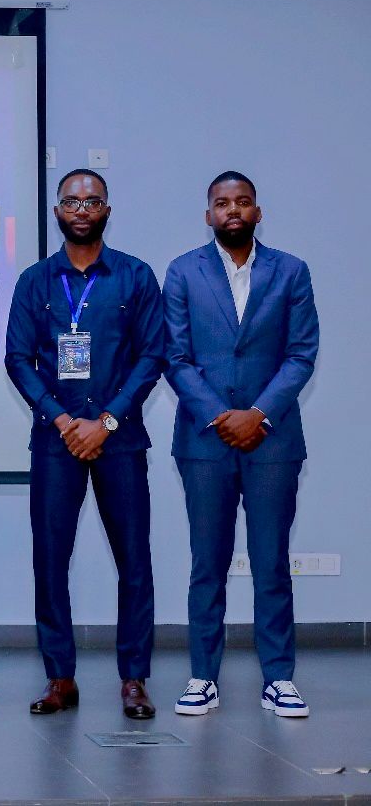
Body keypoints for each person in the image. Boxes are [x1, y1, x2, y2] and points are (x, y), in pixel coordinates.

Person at [5, 169, 165, 719]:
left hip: (121, 440)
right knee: (50, 561)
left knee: (135, 561)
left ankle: (134, 679)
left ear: (106, 210)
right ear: (57, 211)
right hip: (57, 442)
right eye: (71, 201)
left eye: (92, 201)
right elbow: (18, 358)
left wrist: (107, 421)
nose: (81, 209)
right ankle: (60, 677)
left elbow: (152, 356)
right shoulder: (35, 281)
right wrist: (62, 420)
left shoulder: (135, 276)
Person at [165, 171, 319, 718]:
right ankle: (202, 677)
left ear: (258, 212)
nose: (233, 210)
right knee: (206, 562)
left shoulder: (291, 271)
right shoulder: (183, 271)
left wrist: (258, 415)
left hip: (272, 441)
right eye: (222, 203)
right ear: (208, 214)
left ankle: (278, 678)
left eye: (243, 202)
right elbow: (175, 357)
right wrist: (220, 416)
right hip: (205, 442)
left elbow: (301, 354)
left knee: (271, 562)